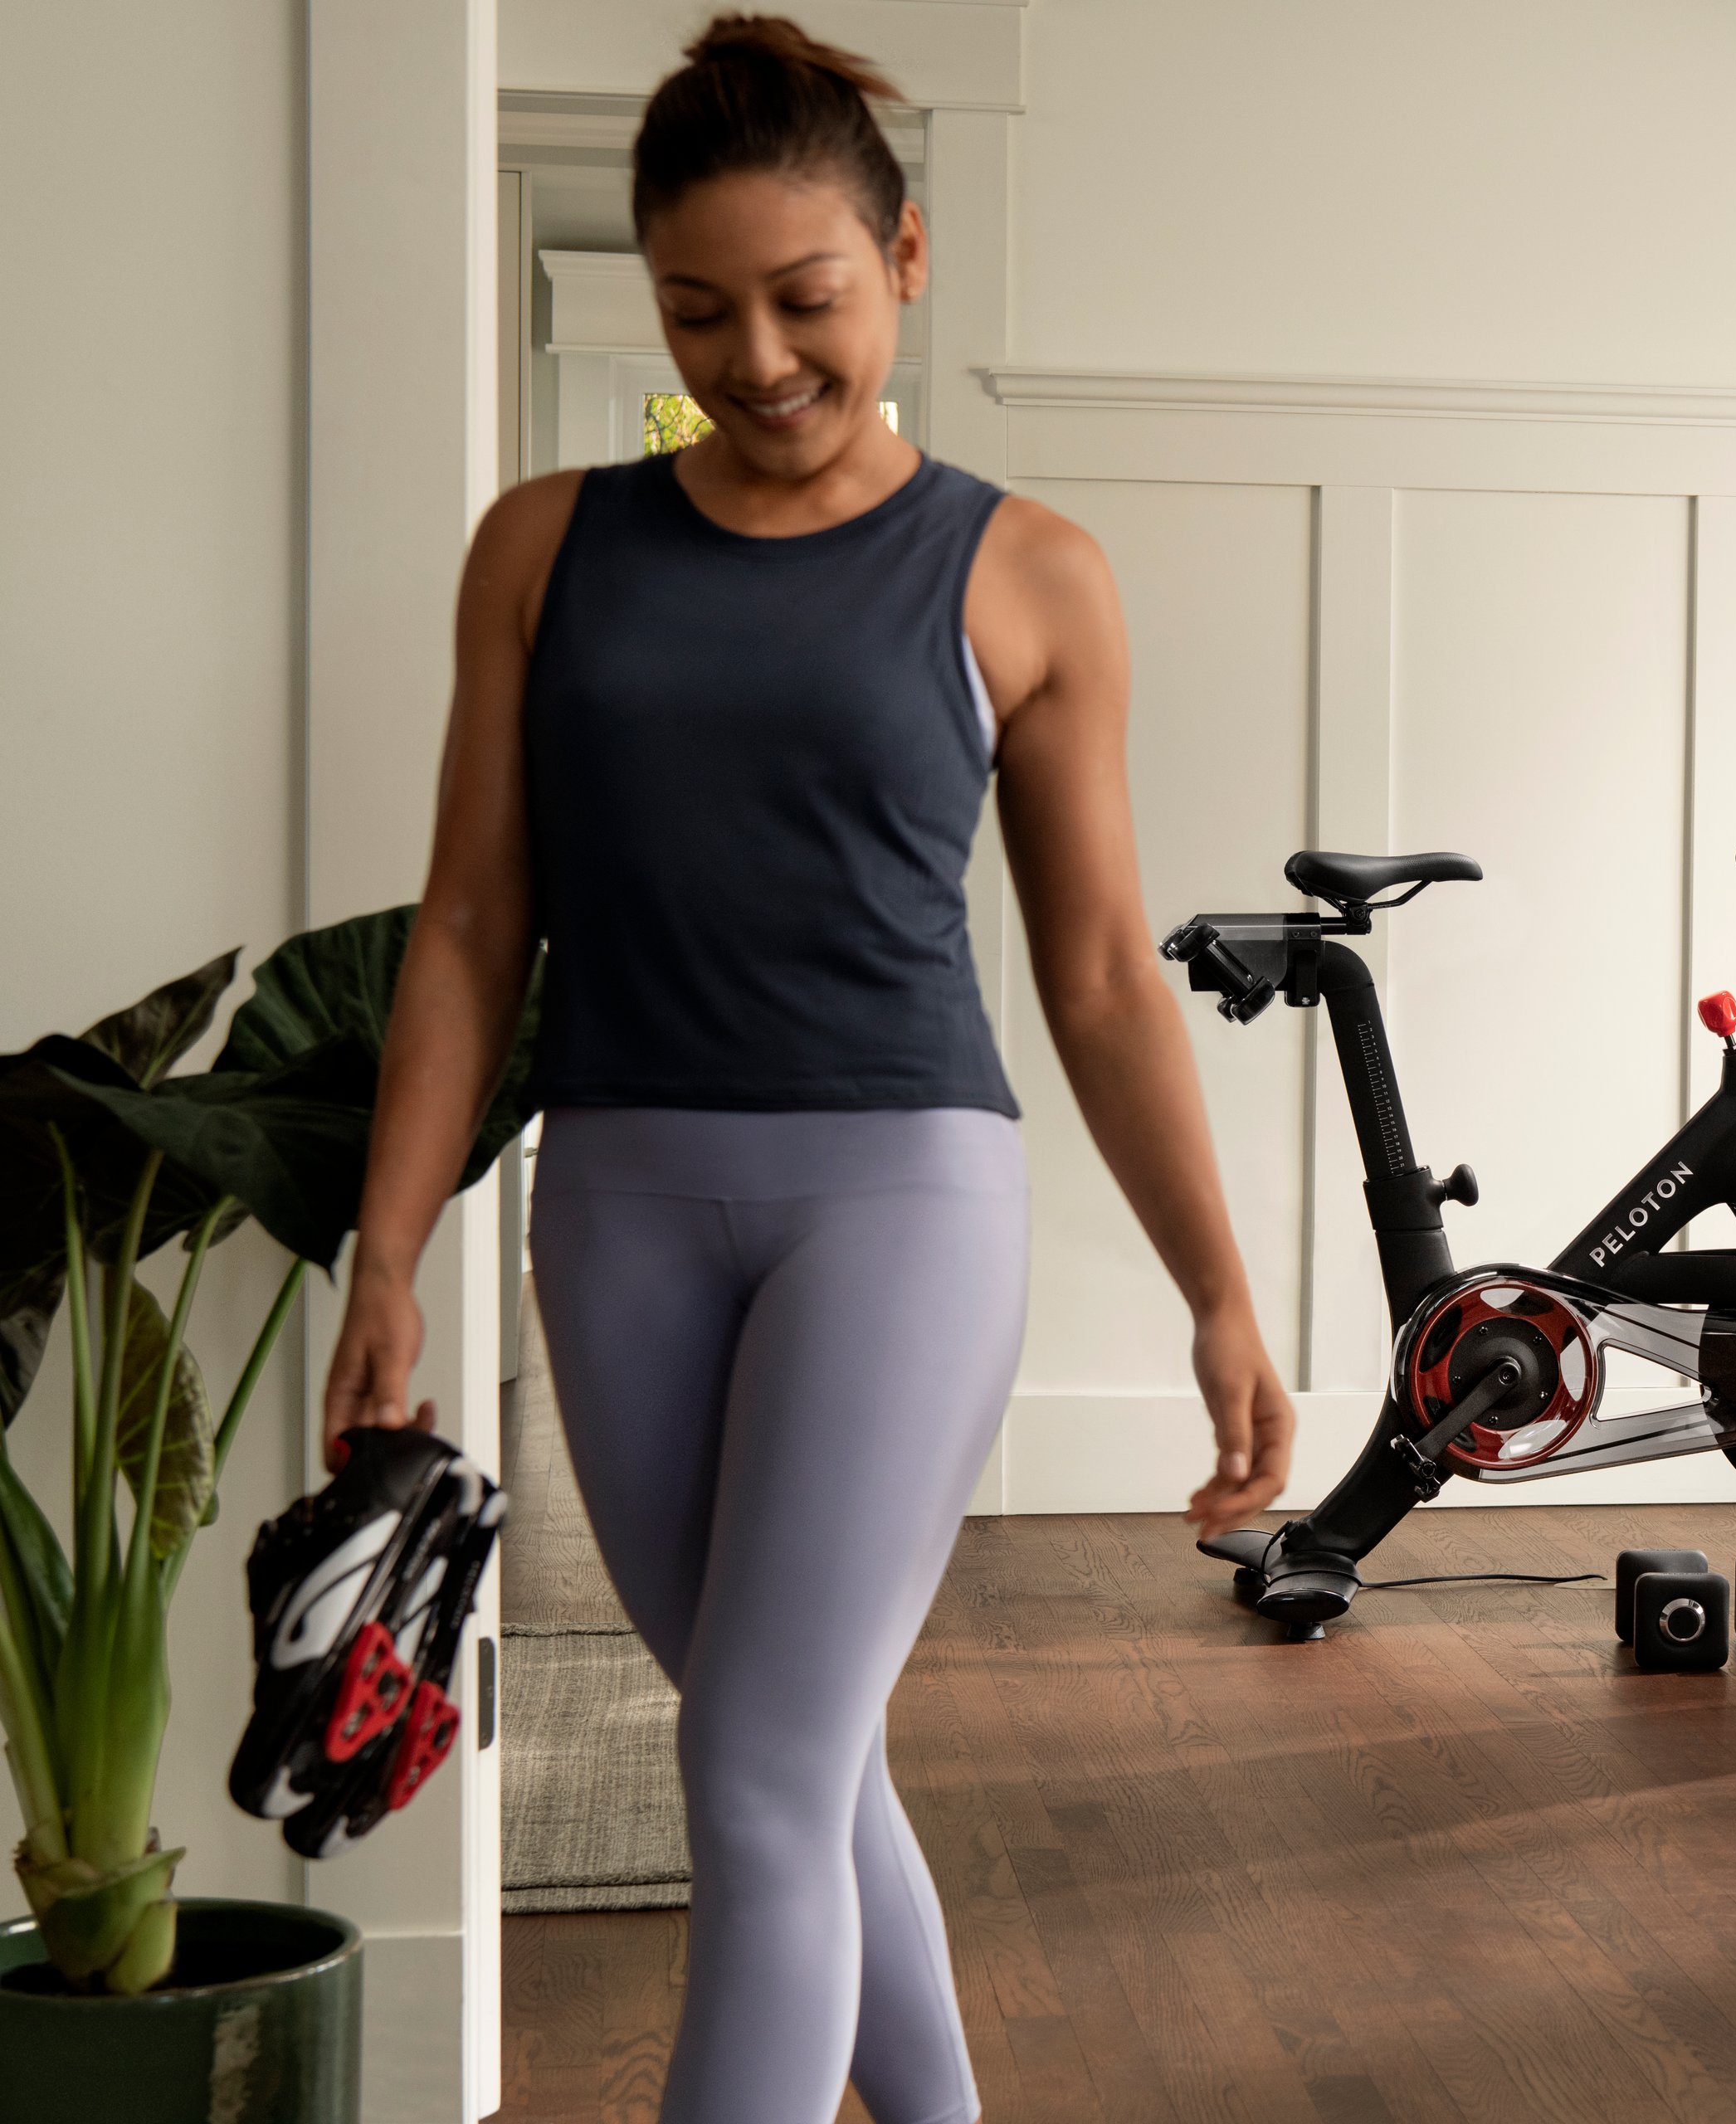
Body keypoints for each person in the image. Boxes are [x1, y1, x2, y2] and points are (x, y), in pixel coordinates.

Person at [319, 18, 1295, 2122]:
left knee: (752, 1762)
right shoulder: (543, 548)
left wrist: (1220, 1289)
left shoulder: (1026, 569)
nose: (753, 356)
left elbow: (1106, 969)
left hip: (902, 1200)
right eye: (696, 309)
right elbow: (474, 925)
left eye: (805, 299)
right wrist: (392, 1244)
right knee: (800, 1748)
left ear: (907, 258)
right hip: (620, 1201)